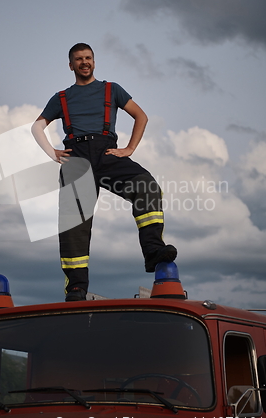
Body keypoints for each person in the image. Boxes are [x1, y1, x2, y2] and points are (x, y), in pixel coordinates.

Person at [32, 43, 177, 301]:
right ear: (71, 65)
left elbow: (140, 116)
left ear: (94, 62)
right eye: (78, 59)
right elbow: (37, 127)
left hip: (107, 153)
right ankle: (76, 287)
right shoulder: (61, 98)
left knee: (146, 187)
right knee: (73, 224)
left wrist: (130, 148)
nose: (84, 62)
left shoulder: (112, 89)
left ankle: (154, 250)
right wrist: (52, 153)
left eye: (88, 58)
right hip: (75, 158)